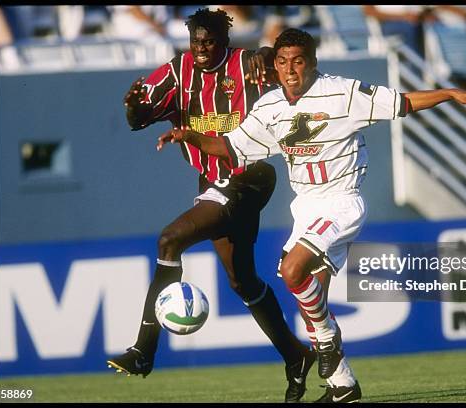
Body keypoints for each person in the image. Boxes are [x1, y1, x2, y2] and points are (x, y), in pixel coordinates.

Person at [156, 28, 466, 403]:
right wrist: (190, 137)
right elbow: (232, 148)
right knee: (311, 302)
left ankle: (329, 343)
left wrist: (447, 94)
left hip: (341, 201)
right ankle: (344, 387)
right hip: (305, 206)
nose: (289, 70)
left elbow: (403, 102)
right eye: (282, 62)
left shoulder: (342, 92)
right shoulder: (268, 106)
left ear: (312, 63)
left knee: (291, 271)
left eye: (298, 61)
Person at [105, 10, 314, 403]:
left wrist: (266, 58)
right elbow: (139, 116)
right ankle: (296, 356)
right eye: (196, 42)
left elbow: (272, 60)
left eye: (210, 42)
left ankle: (143, 350)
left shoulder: (245, 63)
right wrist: (133, 107)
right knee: (243, 281)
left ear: (224, 41)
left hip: (249, 177)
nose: (202, 50)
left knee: (170, 240)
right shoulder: (176, 71)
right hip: (212, 182)